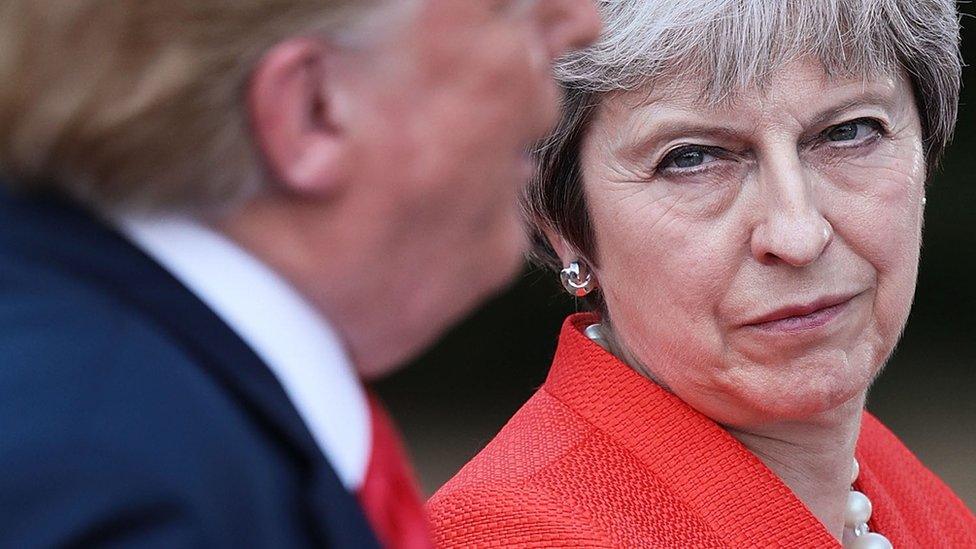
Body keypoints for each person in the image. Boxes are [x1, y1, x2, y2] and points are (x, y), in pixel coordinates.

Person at [0, 1, 600, 547]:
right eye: (506, 9)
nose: (580, 22)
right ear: (314, 108)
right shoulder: (117, 486)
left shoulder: (147, 402)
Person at [428, 0, 976, 547]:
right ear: (563, 225)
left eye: (849, 132)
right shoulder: (515, 530)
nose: (798, 236)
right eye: (691, 159)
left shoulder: (900, 491)